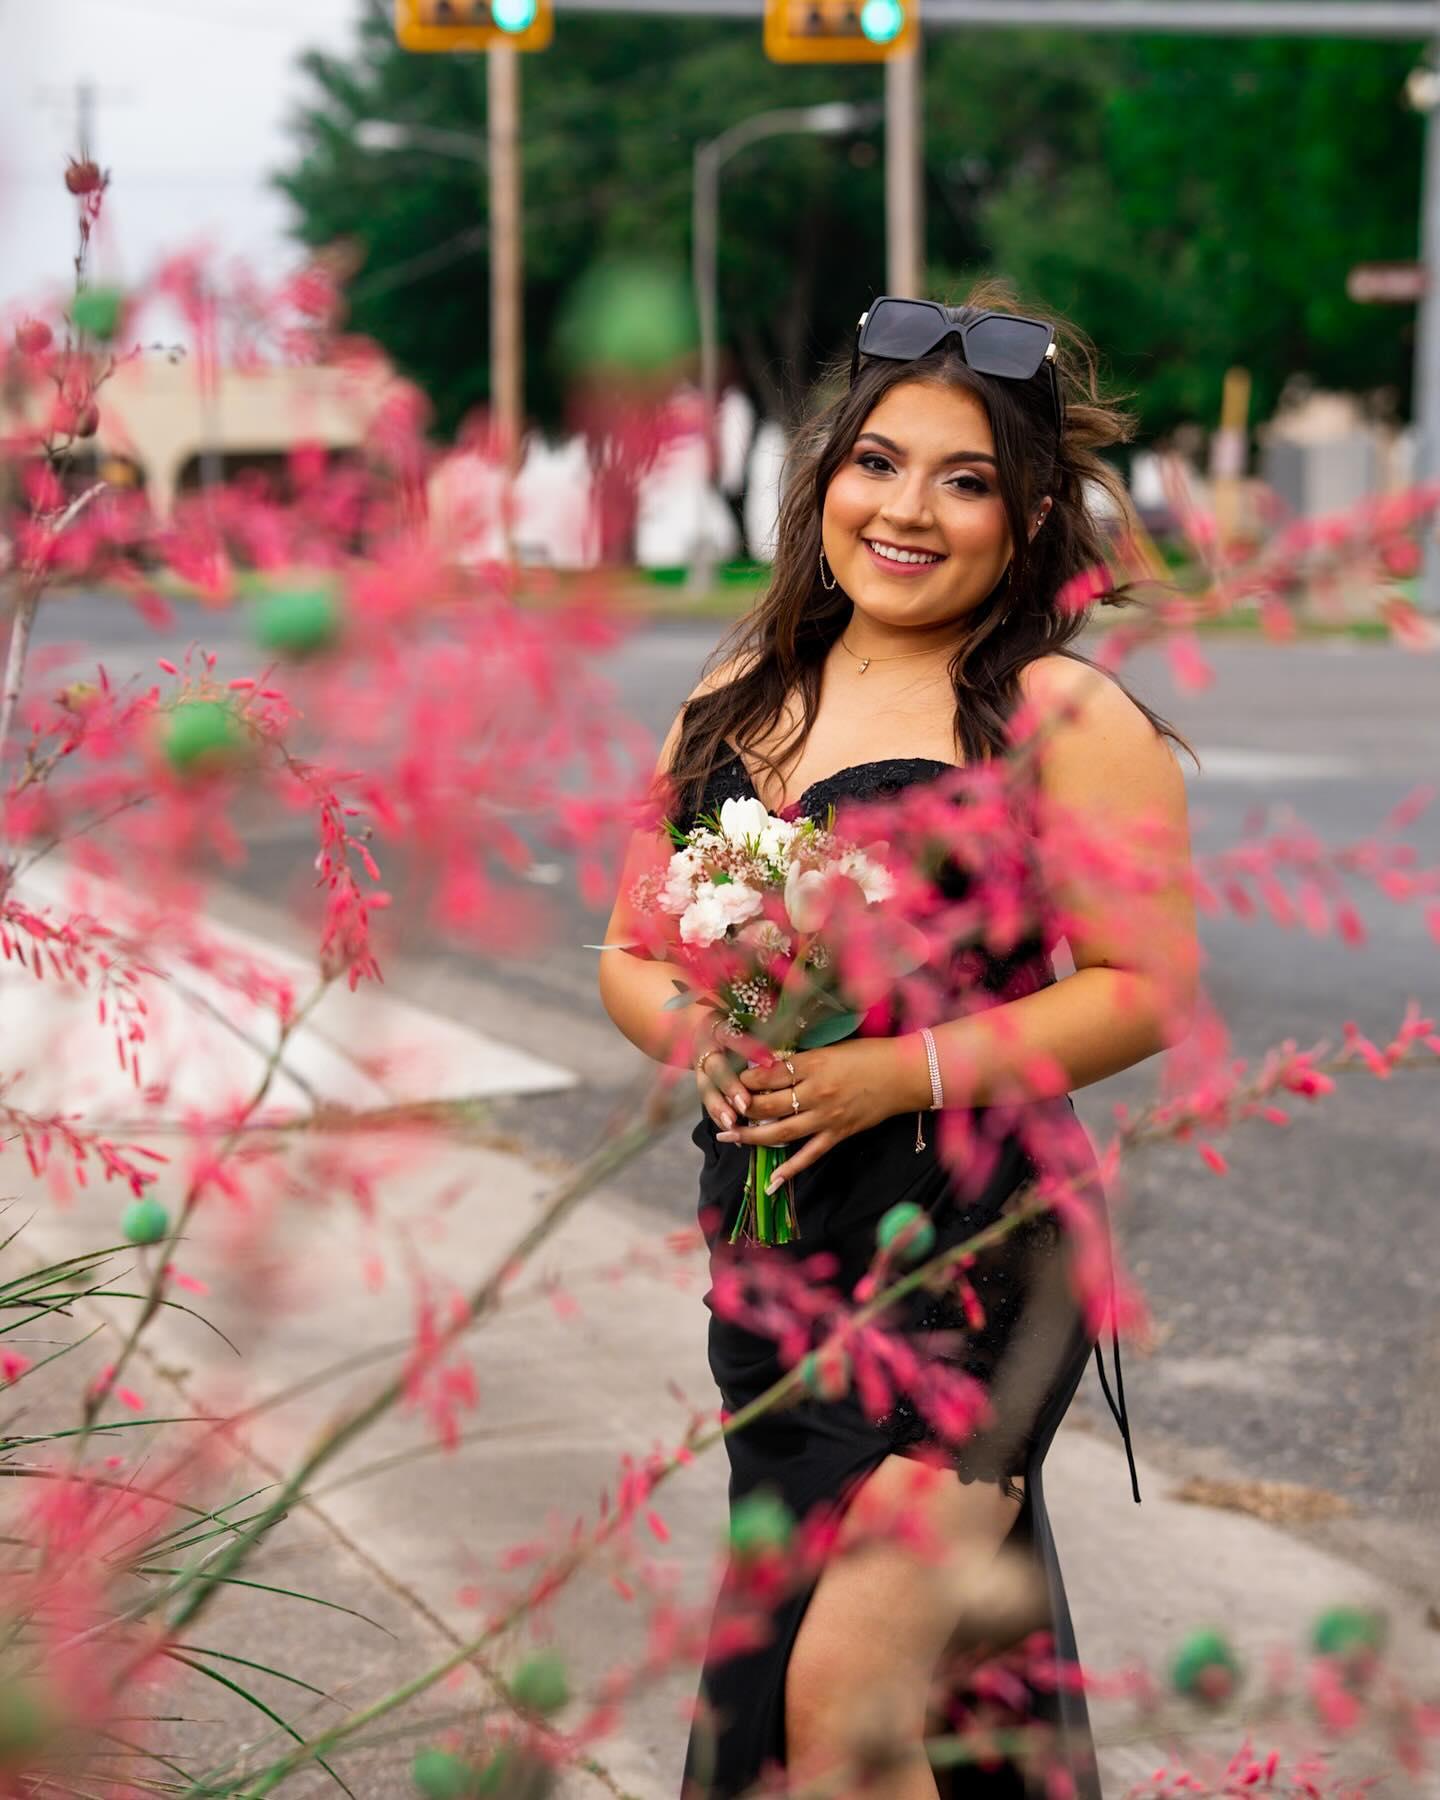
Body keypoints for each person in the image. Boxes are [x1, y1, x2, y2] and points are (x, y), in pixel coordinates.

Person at [597, 283, 1198, 1800]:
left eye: (967, 478)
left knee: (847, 1696)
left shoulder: (1061, 717)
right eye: (877, 463)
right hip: (776, 1259)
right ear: (824, 484)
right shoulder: (728, 707)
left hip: (976, 1257)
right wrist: (700, 1036)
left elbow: (1141, 984)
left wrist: (897, 1069)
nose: (908, 510)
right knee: (882, 1707)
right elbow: (628, 951)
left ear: (1033, 512)